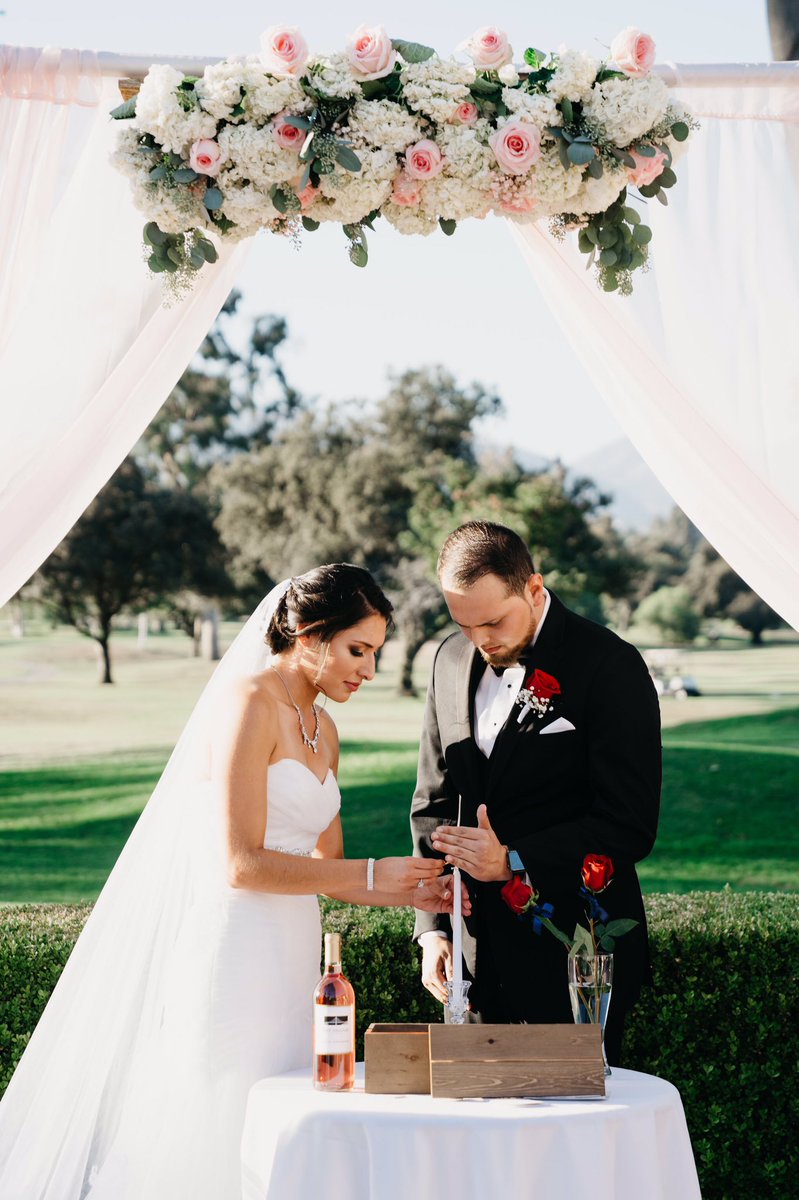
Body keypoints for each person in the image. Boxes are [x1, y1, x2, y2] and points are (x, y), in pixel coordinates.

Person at [0, 564, 458, 1200]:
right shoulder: (247, 702)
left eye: (376, 653)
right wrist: (374, 873)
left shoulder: (325, 730)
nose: (370, 670)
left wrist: (413, 889)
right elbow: (240, 863)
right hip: (233, 950)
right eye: (358, 649)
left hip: (290, 953)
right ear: (306, 632)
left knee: (282, 1117)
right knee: (221, 1115)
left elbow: (329, 870)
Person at [410, 522, 661, 1063]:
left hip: (574, 950)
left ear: (534, 588)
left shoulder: (610, 665)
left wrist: (516, 861)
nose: (480, 638)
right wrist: (433, 927)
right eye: (463, 623)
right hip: (472, 960)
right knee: (477, 1132)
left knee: (569, 1139)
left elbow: (630, 822)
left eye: (494, 621)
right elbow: (433, 803)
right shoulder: (448, 661)